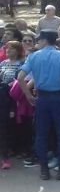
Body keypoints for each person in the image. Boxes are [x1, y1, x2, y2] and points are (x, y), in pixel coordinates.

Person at [17, 30, 60, 181]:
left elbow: (20, 78)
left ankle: (44, 170)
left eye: (39, 39)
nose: (37, 42)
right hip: (58, 98)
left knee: (41, 134)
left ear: (45, 40)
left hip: (42, 98)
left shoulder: (33, 56)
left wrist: (28, 95)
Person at [0, 41, 23, 169]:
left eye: (12, 48)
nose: (9, 50)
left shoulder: (21, 64)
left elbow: (19, 81)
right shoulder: (2, 63)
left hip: (13, 97)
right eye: (7, 48)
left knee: (7, 127)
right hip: (2, 95)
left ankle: (7, 155)